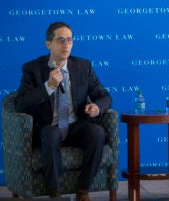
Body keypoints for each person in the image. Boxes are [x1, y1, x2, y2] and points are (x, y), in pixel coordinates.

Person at [14, 22, 112, 201]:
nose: (66, 45)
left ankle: (83, 190)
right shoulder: (32, 69)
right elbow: (20, 104)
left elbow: (104, 96)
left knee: (97, 132)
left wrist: (97, 107)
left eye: (69, 40)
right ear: (48, 44)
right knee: (51, 133)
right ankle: (55, 193)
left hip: (75, 125)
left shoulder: (83, 66)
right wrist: (48, 87)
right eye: (60, 40)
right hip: (47, 127)